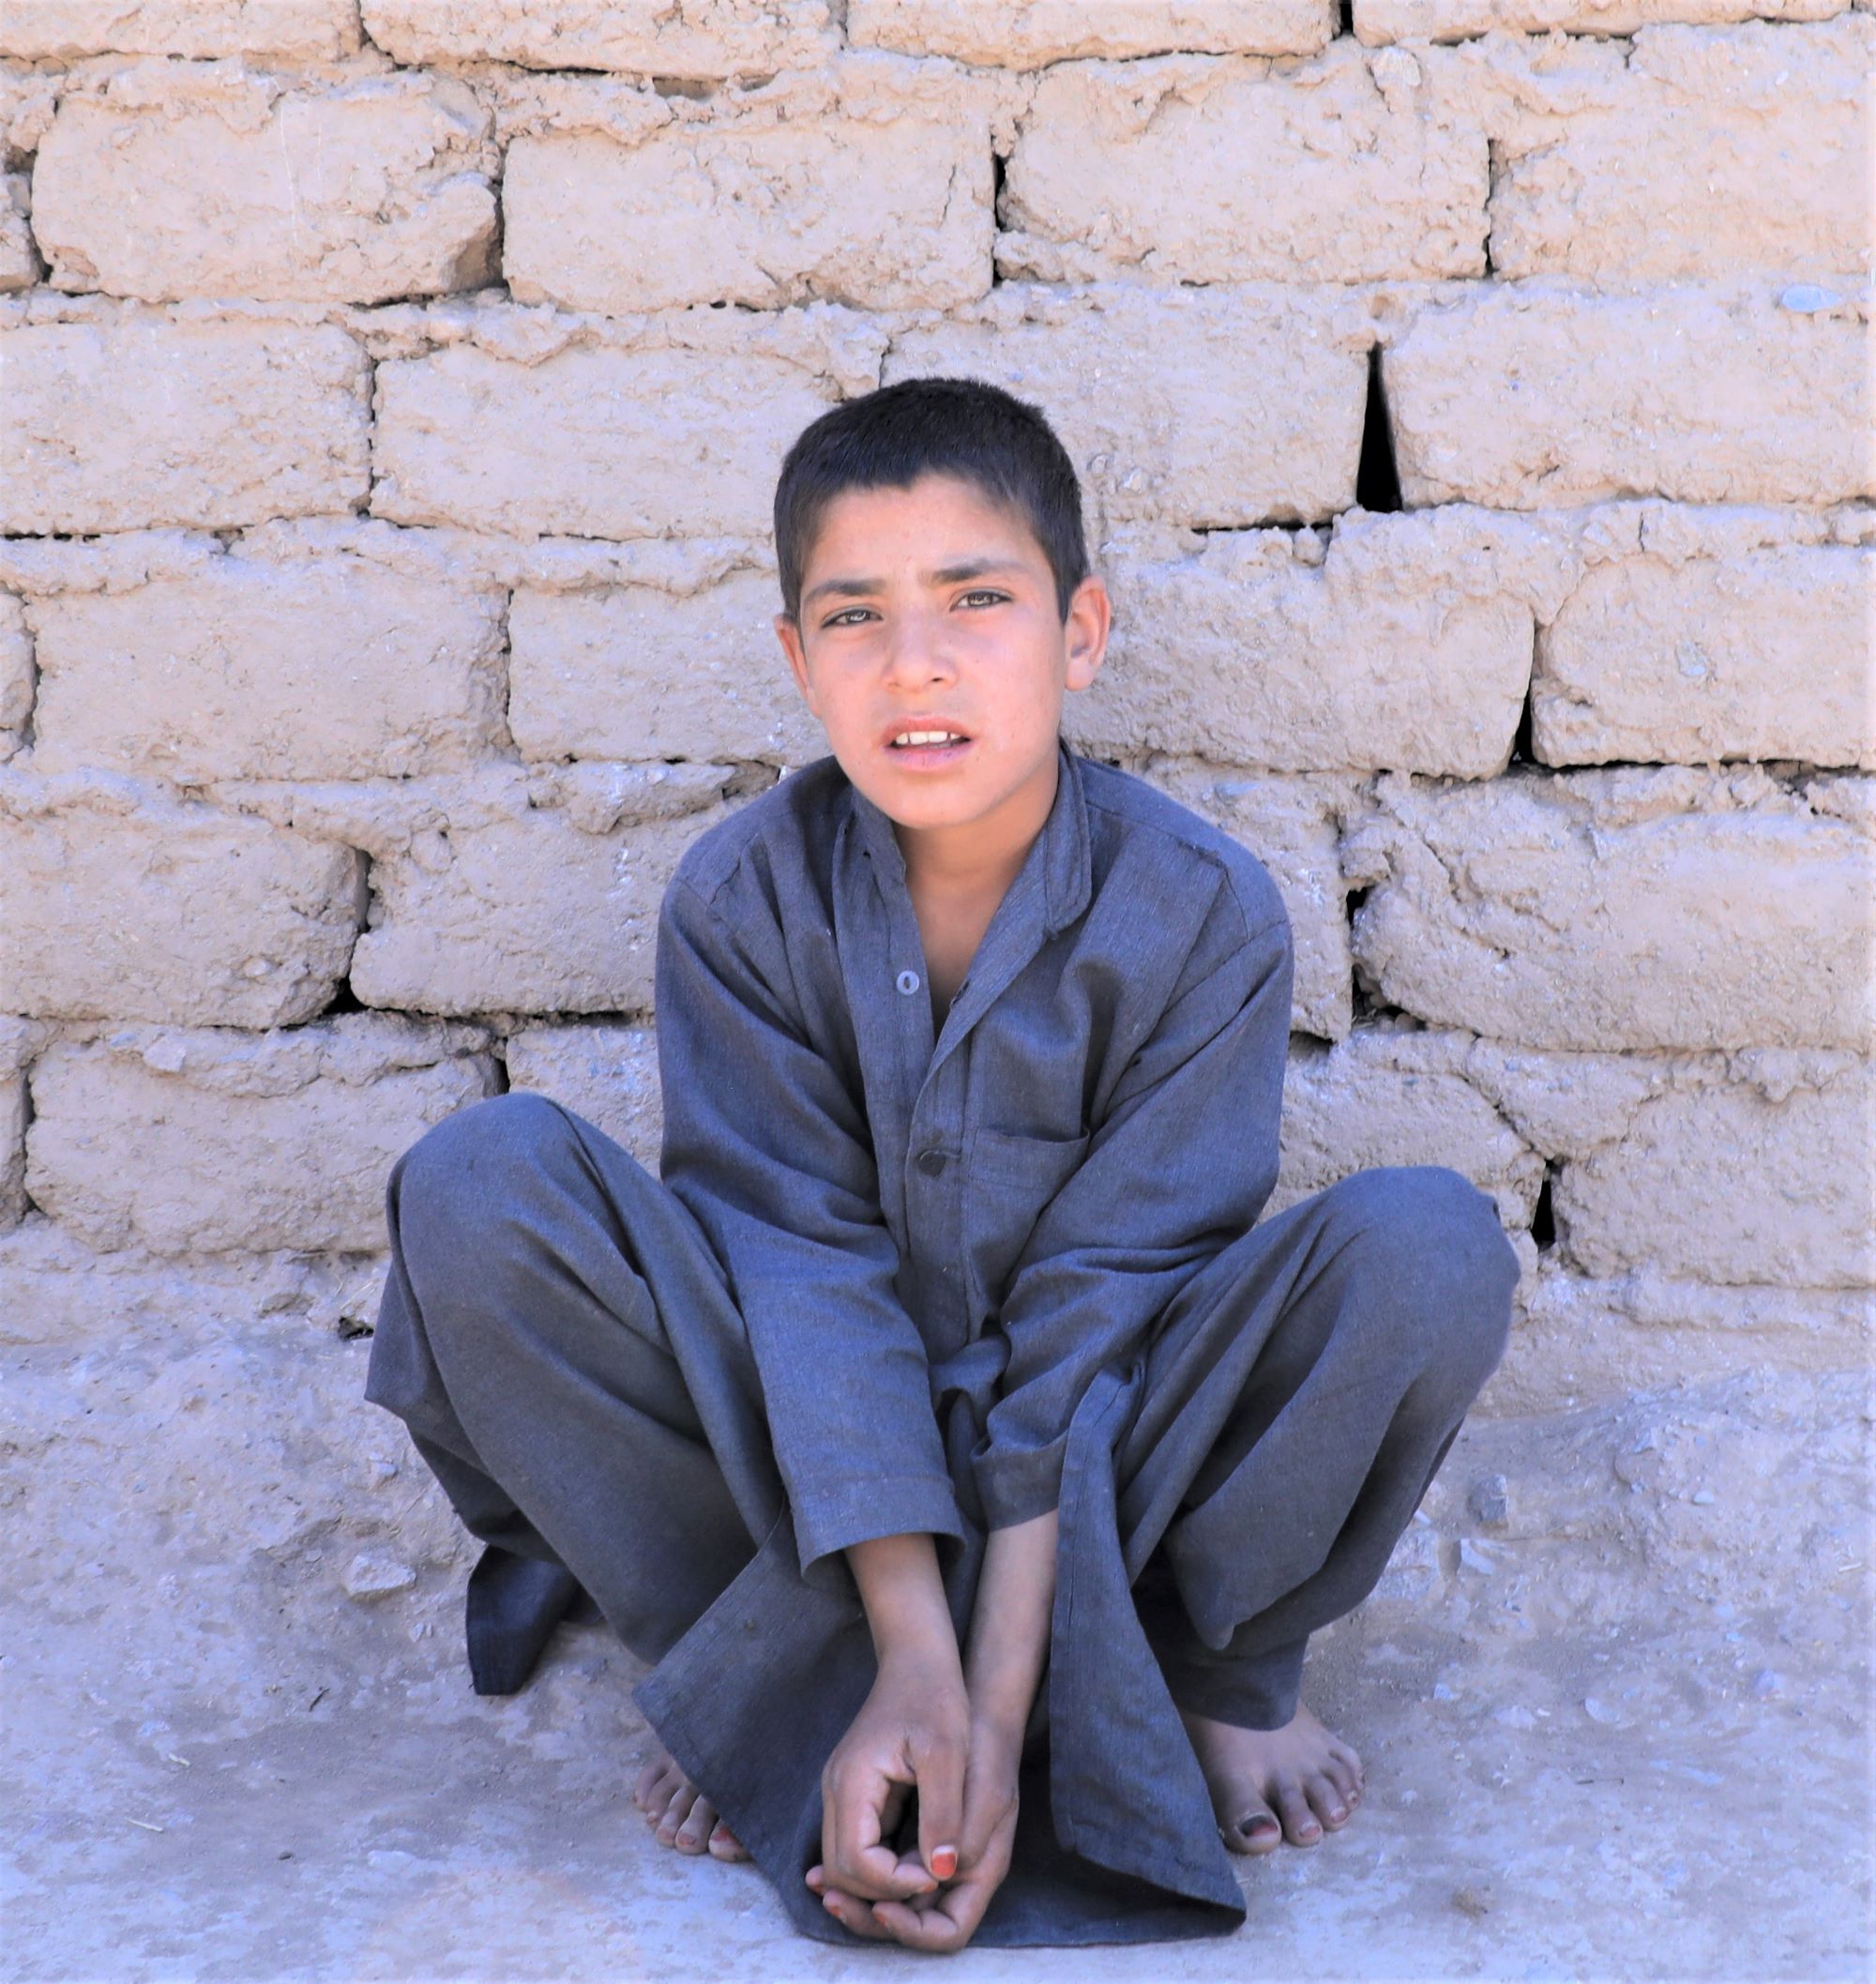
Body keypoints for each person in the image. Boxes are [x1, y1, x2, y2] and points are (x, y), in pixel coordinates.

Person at [364, 376, 1521, 1952]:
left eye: (978, 599)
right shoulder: (743, 899)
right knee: (479, 1186)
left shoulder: (1202, 912)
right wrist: (919, 1659)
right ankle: (778, 1668)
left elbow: (1104, 1309)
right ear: (796, 660)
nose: (917, 661)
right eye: (855, 616)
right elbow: (798, 1269)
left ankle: (1199, 1673)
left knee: (1428, 1249)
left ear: (1081, 634)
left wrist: (978, 1705)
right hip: (798, 1439)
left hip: (1112, 1454)